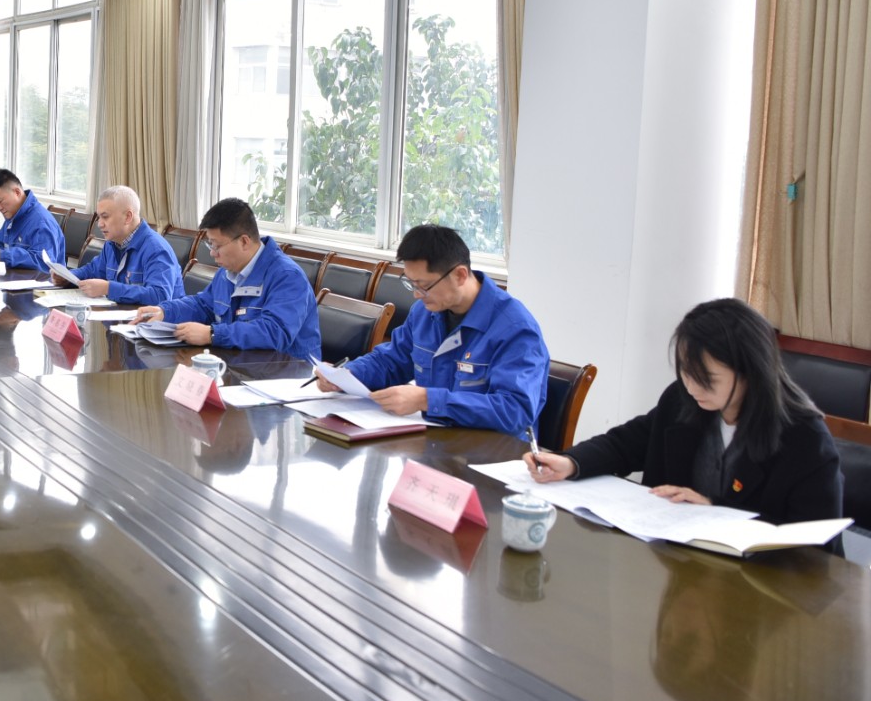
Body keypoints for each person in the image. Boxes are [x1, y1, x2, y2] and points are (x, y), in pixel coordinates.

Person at [526, 298, 843, 525]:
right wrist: (571, 462)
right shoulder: (682, 401)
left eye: (708, 379)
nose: (692, 387)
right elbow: (625, 444)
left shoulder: (804, 438)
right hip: (678, 566)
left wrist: (715, 510)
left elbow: (811, 541)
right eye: (686, 373)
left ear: (751, 371)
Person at [323, 224, 549, 437]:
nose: (416, 294)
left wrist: (427, 400)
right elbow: (391, 360)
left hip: (491, 451)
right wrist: (346, 376)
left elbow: (515, 410)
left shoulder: (515, 329)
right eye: (411, 284)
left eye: (424, 286)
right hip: (435, 438)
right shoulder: (424, 312)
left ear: (460, 275)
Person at [134, 197, 318, 359]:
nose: (213, 253)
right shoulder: (228, 271)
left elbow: (275, 332)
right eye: (210, 245)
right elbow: (204, 305)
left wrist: (212, 334)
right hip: (239, 364)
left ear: (244, 241)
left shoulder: (287, 277)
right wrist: (165, 311)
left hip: (286, 374)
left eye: (217, 246)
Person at [59, 185, 182, 305]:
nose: (100, 224)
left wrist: (109, 289)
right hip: (122, 315)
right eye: (99, 217)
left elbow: (160, 296)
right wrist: (67, 276)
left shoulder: (156, 249)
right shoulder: (112, 243)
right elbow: (93, 270)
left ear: (128, 217)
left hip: (153, 319)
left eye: (105, 217)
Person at [0, 167, 65, 267]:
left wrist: (4, 256)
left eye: (0, 201)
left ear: (17, 192)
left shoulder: (42, 222)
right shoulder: (13, 215)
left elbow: (45, 262)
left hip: (41, 277)